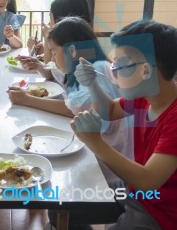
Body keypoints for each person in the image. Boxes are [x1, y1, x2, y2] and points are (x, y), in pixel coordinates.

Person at [72, 20, 177, 229]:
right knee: (66, 204)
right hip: (136, 192)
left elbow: (148, 181)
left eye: (119, 66)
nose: (114, 73)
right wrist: (92, 83)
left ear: (145, 71)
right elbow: (108, 111)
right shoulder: (146, 95)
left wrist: (96, 142)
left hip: (161, 211)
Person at [7, 17, 133, 188]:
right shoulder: (89, 63)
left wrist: (27, 99)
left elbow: (72, 109)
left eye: (54, 51)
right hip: (101, 149)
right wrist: (41, 69)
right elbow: (63, 80)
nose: (51, 57)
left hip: (109, 164)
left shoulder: (96, 69)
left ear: (71, 50)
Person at [19, 0, 92, 71]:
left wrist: (47, 38)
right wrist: (41, 48)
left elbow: (49, 69)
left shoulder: (81, 57)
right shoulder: (84, 45)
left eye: (51, 19)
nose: (49, 24)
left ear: (63, 22)